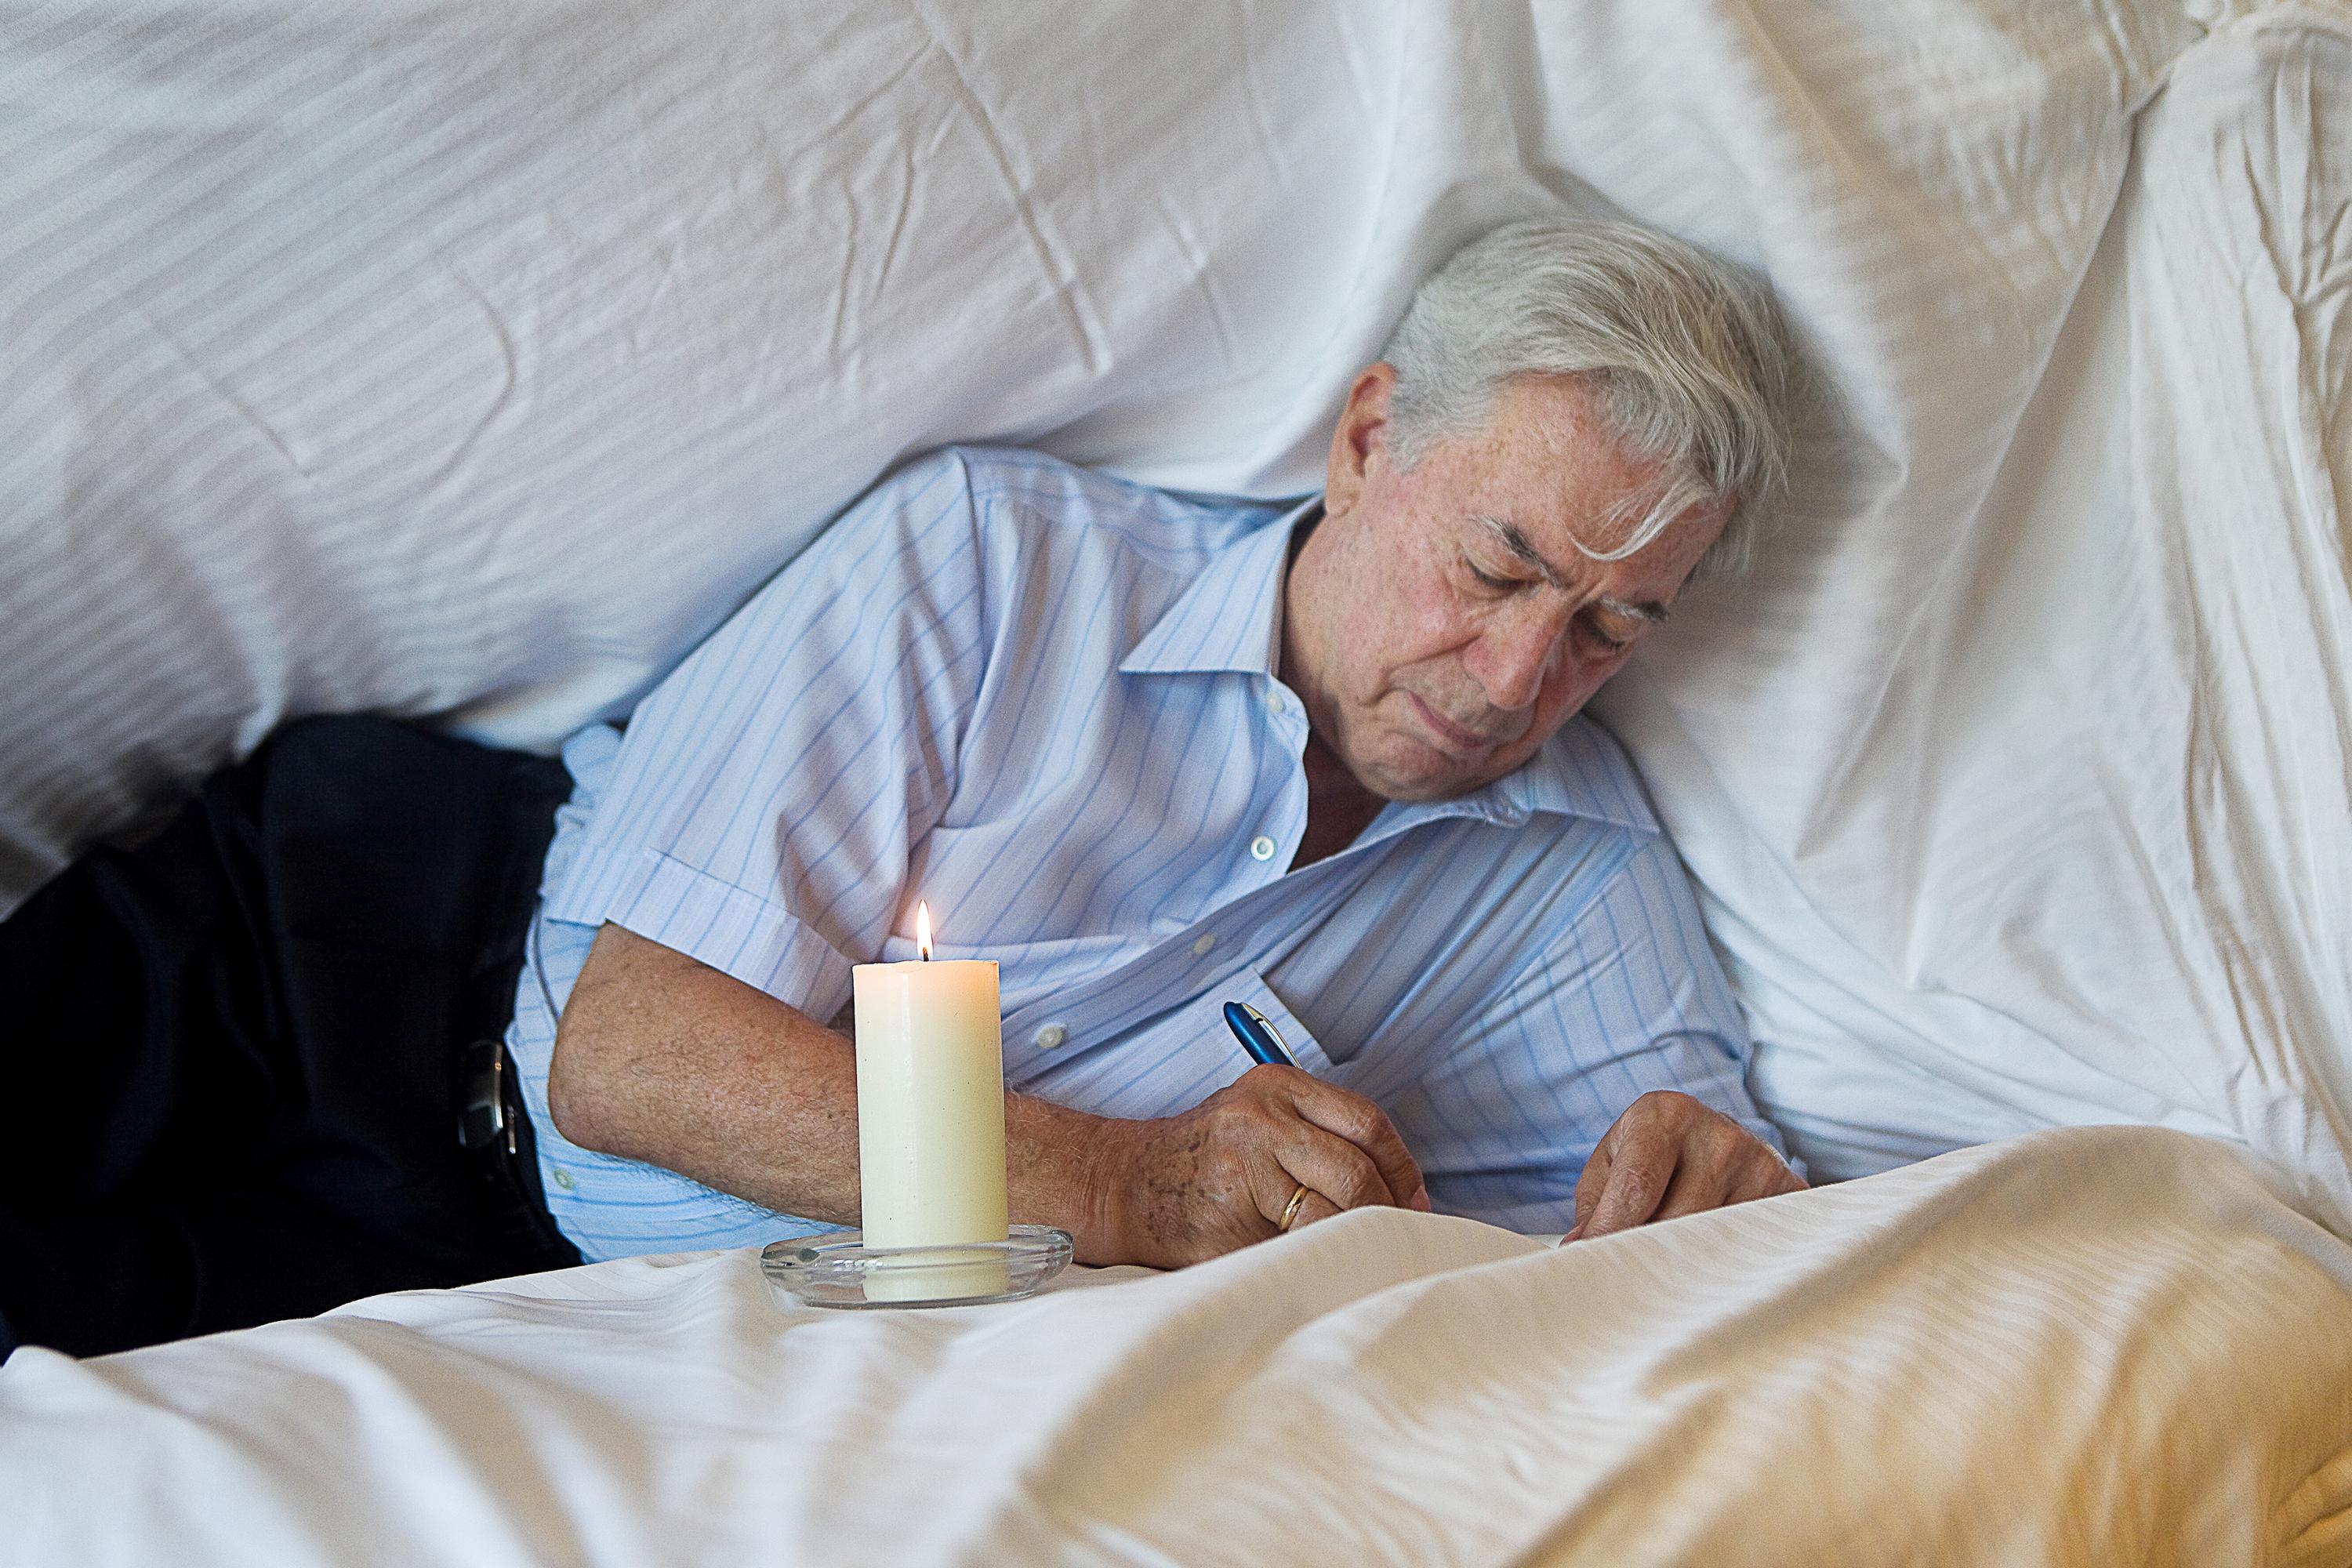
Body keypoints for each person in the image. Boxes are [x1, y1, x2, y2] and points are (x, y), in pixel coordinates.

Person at [0, 216, 1805, 1358]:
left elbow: (1716, 1259)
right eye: (1496, 568)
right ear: (1367, 440)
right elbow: (621, 1047)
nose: (1517, 684)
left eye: (1611, 627)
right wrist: (1133, 1187)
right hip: (354, 963)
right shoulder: (999, 563)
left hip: (503, 1280)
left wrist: (1723, 1196)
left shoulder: (1580, 894)